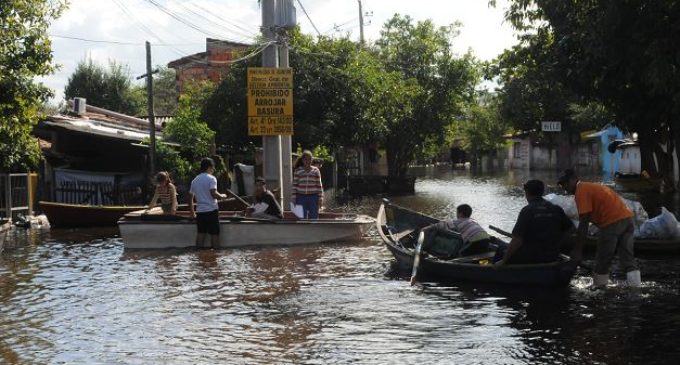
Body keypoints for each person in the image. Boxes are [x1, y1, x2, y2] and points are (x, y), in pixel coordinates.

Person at [558, 168, 641, 287]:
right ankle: (636, 289)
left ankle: (599, 290)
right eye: (561, 184)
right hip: (627, 219)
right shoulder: (589, 187)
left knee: (603, 261)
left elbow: (584, 222)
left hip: (611, 223)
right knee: (628, 259)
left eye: (565, 183)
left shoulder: (581, 191)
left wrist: (578, 250)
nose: (564, 187)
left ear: (573, 179)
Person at [496, 179, 574, 266]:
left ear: (527, 193)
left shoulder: (527, 211)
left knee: (501, 249)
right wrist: (558, 245)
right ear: (542, 192)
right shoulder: (555, 208)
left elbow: (517, 240)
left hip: (532, 257)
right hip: (552, 255)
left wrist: (503, 261)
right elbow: (570, 229)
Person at [188, 157, 228, 249]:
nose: (213, 170)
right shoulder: (212, 178)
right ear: (209, 167)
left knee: (201, 233)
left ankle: (198, 255)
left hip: (200, 211)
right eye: (213, 168)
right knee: (215, 234)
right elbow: (213, 193)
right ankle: (216, 255)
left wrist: (192, 212)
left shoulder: (195, 180)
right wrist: (222, 196)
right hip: (211, 210)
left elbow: (190, 197)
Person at [423, 204, 491, 256]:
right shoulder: (473, 221)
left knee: (460, 254)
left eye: (457, 212)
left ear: (460, 214)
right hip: (487, 240)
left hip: (475, 242)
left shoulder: (457, 221)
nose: (456, 214)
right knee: (477, 252)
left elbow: (440, 225)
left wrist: (426, 228)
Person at [291, 150, 323, 219]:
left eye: (309, 159)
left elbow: (319, 185)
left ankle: (313, 229)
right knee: (301, 217)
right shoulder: (298, 171)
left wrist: (320, 197)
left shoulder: (316, 170)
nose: (307, 161)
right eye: (305, 159)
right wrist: (294, 198)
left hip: (313, 197)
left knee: (314, 217)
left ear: (311, 160)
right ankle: (302, 229)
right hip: (301, 197)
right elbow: (294, 185)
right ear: (302, 160)